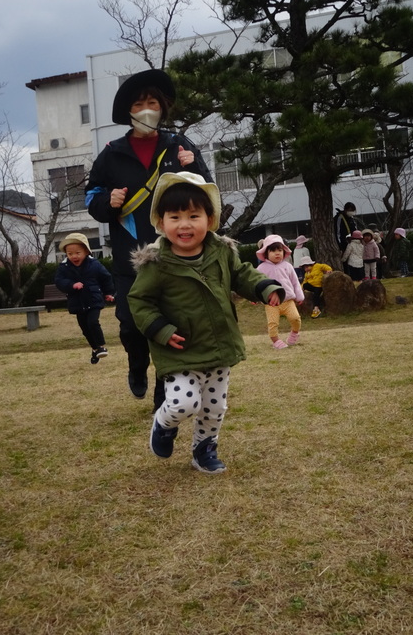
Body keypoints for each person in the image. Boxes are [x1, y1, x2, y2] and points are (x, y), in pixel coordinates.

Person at [127, 172, 284, 474]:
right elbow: (139, 301)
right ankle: (164, 423)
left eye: (193, 215)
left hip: (219, 346)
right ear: (161, 223)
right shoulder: (156, 264)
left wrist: (265, 288)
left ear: (210, 220)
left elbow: (242, 275)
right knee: (183, 404)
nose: (184, 224)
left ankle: (204, 448)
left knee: (214, 409)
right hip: (179, 349)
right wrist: (160, 329)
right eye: (175, 217)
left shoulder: (221, 251)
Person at [85, 69, 212, 407]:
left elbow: (206, 193)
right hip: (130, 256)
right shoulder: (112, 152)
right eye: (138, 104)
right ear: (128, 112)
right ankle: (136, 363)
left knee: (168, 325)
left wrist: (194, 166)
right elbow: (90, 196)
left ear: (163, 107)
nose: (145, 109)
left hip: (174, 253)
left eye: (152, 102)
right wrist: (106, 201)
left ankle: (163, 391)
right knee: (130, 324)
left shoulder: (180, 144)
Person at [54, 233, 115, 363]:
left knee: (93, 322)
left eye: (77, 253)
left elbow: (106, 278)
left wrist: (109, 293)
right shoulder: (64, 267)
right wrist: (71, 285)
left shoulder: (95, 264)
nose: (74, 257)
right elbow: (59, 281)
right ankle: (95, 349)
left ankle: (101, 347)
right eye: (70, 254)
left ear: (86, 251)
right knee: (85, 328)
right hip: (77, 302)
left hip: (93, 299)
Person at [255, 234, 305, 348]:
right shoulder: (261, 269)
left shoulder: (288, 266)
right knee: (273, 323)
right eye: (273, 251)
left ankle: (294, 333)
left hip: (288, 300)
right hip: (271, 303)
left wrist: (299, 296)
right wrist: (254, 298)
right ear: (266, 253)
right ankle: (276, 341)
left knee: (295, 318)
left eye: (280, 250)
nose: (277, 253)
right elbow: (256, 285)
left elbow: (295, 282)